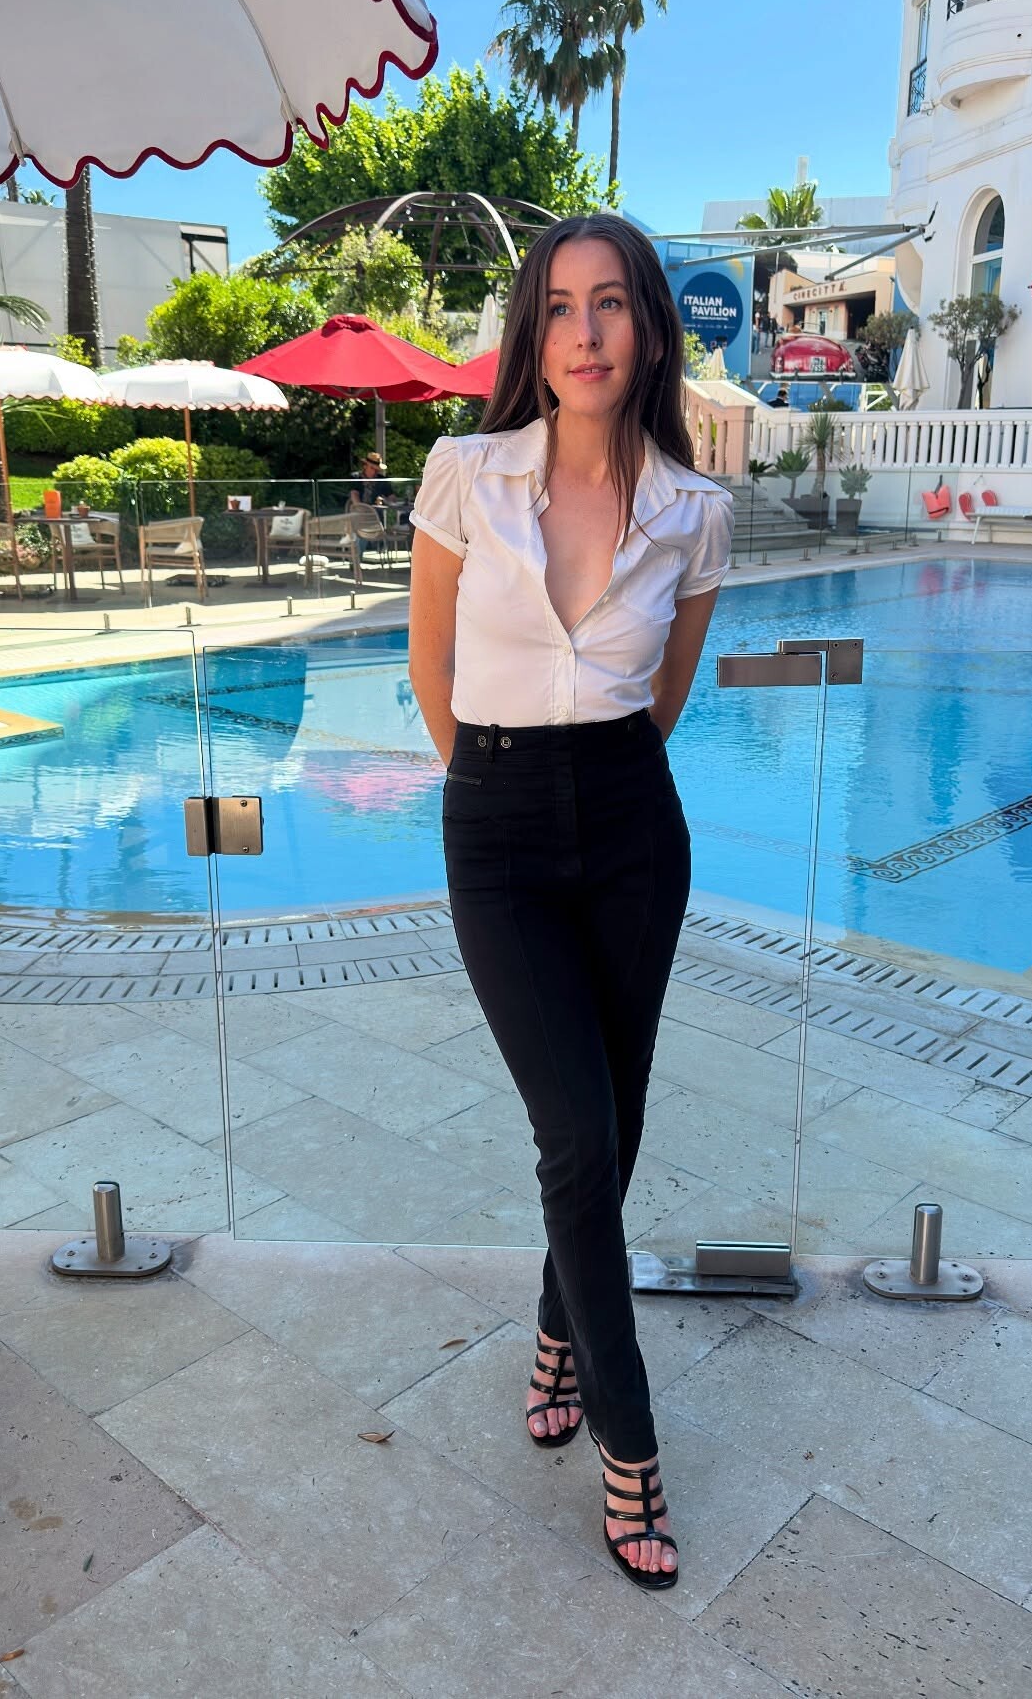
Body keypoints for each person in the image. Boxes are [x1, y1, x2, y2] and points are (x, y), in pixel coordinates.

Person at [408, 213, 732, 1591]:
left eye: (610, 304)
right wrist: (498, 789)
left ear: (649, 327)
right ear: (529, 336)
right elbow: (430, 670)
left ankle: (555, 1335)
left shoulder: (694, 511)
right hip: (495, 825)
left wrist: (591, 787)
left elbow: (666, 695)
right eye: (557, 306)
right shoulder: (464, 475)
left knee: (616, 1123)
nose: (584, 332)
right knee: (576, 1130)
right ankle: (631, 1436)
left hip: (631, 824)